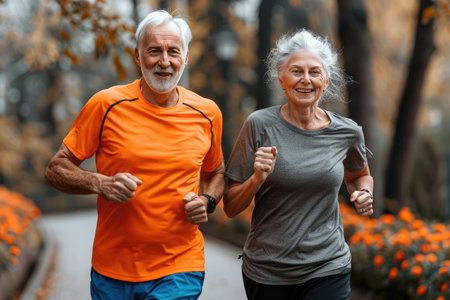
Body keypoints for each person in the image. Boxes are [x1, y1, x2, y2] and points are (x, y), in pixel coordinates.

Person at [45, 9, 224, 300]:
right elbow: (55, 169)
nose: (164, 61)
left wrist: (208, 200)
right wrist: (100, 183)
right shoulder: (106, 105)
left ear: (186, 58)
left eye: (173, 52)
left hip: (180, 265)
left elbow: (215, 171)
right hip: (112, 269)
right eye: (154, 51)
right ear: (138, 57)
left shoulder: (207, 113)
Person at [223, 28, 374, 300]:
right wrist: (256, 178)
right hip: (268, 271)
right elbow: (231, 206)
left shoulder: (348, 132)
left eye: (314, 72)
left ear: (326, 80)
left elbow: (360, 175)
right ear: (281, 78)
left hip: (328, 265)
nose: (306, 80)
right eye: (296, 71)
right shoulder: (258, 125)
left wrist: (364, 192)